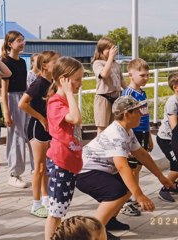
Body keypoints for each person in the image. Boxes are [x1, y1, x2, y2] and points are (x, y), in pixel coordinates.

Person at [76, 95, 174, 240]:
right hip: (85, 173)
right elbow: (122, 166)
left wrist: (161, 177)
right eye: (137, 111)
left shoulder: (127, 130)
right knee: (116, 191)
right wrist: (140, 196)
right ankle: (94, 232)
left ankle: (109, 221)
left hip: (99, 170)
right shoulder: (116, 133)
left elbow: (142, 155)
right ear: (127, 114)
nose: (141, 114)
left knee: (127, 188)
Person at [44, 57, 84, 240]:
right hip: (60, 163)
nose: (81, 83)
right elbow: (76, 118)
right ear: (64, 80)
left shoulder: (65, 101)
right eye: (77, 79)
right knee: (56, 211)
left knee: (61, 209)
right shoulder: (56, 103)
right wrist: (69, 92)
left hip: (69, 163)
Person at [19, 51, 60, 218]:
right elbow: (23, 104)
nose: (58, 65)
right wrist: (41, 118)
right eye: (55, 62)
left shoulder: (53, 83)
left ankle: (45, 199)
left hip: (47, 127)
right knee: (39, 168)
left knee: (46, 168)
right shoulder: (39, 83)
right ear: (45, 65)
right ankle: (35, 204)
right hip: (37, 128)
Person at [120, 58, 153, 216]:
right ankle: (125, 201)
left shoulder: (142, 92)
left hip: (143, 133)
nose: (146, 78)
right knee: (131, 169)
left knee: (137, 168)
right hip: (133, 134)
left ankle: (133, 196)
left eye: (148, 75)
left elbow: (145, 115)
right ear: (130, 75)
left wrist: (149, 135)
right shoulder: (128, 94)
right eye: (142, 75)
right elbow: (123, 119)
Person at [1, 30, 33, 188]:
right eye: (19, 41)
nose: (22, 43)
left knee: (30, 133)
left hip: (23, 98)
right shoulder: (5, 62)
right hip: (12, 99)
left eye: (23, 40)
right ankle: (14, 174)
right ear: (10, 43)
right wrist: (6, 111)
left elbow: (24, 83)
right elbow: (3, 89)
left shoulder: (21, 62)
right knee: (16, 136)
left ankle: (36, 168)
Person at [92, 37, 127, 134]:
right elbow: (104, 74)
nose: (112, 50)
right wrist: (110, 58)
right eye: (108, 48)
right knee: (102, 127)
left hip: (116, 97)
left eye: (113, 48)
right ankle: (100, 148)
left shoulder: (116, 64)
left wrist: (130, 91)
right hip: (103, 97)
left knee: (114, 126)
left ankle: (111, 147)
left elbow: (122, 80)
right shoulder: (97, 63)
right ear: (101, 50)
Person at [156, 72, 178, 202]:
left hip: (174, 138)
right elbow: (174, 127)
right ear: (176, 87)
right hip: (167, 139)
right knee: (177, 165)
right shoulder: (172, 102)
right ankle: (164, 189)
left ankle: (173, 185)